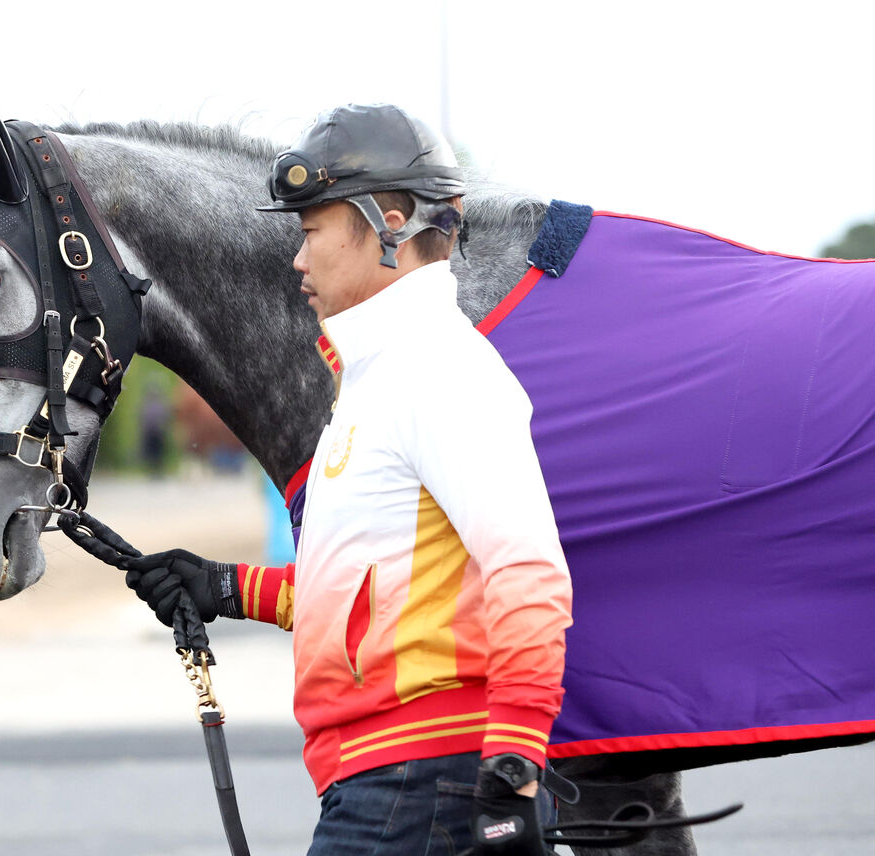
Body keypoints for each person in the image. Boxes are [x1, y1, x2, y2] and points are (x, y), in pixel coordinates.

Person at [69, 104, 573, 856]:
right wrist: (225, 587)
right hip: (388, 775)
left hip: (421, 779)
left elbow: (530, 571)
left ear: (391, 223)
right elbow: (377, 596)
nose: (296, 260)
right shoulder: (372, 382)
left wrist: (511, 768)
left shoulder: (439, 370)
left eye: (311, 233)